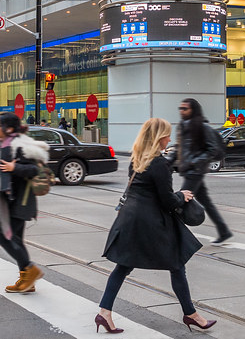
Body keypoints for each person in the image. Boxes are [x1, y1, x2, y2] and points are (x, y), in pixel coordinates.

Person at [98, 118, 215, 333]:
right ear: (160, 138)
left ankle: (104, 313)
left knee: (123, 265)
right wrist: (183, 195)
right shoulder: (159, 163)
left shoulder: (137, 158)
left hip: (130, 219)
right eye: (168, 135)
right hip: (150, 222)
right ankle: (191, 314)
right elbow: (167, 200)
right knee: (176, 263)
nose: (170, 138)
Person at [0, 112, 48, 294]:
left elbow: (33, 169)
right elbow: (3, 168)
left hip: (19, 202)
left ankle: (30, 270)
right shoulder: (2, 144)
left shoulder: (18, 145)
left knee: (3, 237)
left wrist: (13, 167)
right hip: (10, 202)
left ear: (8, 128)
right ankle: (27, 279)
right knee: (16, 240)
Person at [172, 98, 231, 245]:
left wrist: (195, 161)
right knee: (206, 202)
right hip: (188, 170)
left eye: (185, 109)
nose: (181, 111)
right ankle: (224, 231)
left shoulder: (202, 127)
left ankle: (173, 235)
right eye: (180, 108)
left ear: (193, 110)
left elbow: (213, 149)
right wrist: (169, 160)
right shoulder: (182, 126)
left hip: (195, 171)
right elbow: (180, 147)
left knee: (180, 201)